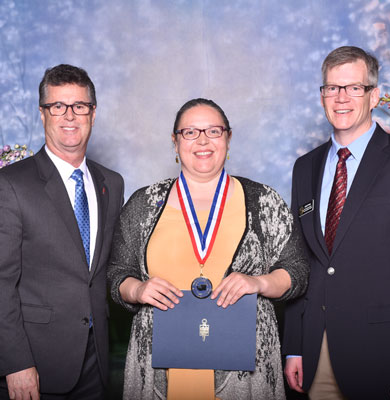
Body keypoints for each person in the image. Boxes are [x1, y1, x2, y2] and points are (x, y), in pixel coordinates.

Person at [107, 98, 309, 399]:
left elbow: (298, 271)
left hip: (245, 374)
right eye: (190, 132)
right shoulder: (143, 204)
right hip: (159, 368)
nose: (202, 140)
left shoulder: (264, 200)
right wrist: (136, 290)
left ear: (228, 139)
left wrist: (259, 282)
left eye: (214, 131)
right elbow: (116, 274)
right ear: (175, 142)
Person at [0, 64, 124, 400]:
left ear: (93, 113)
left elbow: (107, 270)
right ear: (43, 114)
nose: (69, 116)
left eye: (79, 106)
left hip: (96, 362)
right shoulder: (11, 185)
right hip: (36, 366)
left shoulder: (111, 183)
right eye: (57, 106)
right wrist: (15, 363)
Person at [283, 46, 390, 400]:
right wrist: (293, 346)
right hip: (315, 352)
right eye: (332, 88)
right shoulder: (305, 167)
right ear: (322, 96)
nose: (341, 98)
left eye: (353, 88)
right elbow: (299, 259)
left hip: (382, 351)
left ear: (374, 95)